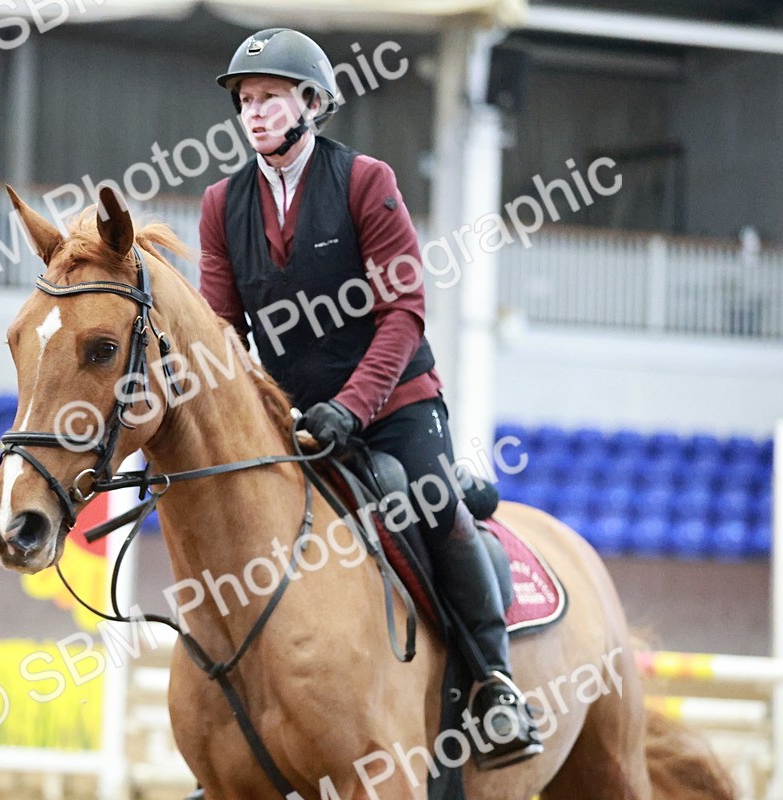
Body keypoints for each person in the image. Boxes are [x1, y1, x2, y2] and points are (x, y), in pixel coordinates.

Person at [198, 28, 541, 769]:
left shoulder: (364, 181)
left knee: (430, 503)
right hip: (293, 416)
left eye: (270, 98)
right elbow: (223, 332)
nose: (254, 114)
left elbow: (403, 314)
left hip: (393, 406)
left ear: (312, 103)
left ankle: (495, 682)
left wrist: (351, 408)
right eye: (245, 102)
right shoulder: (221, 204)